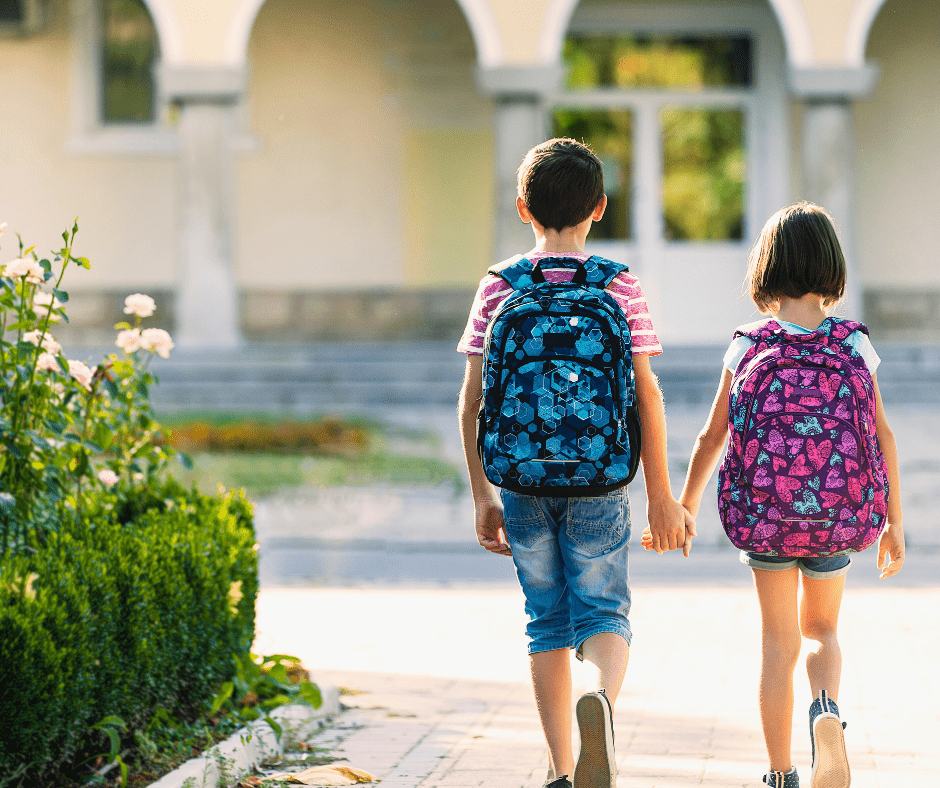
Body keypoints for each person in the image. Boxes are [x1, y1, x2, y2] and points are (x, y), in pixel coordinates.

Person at [457, 138, 694, 788]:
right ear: (599, 207)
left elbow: (474, 399)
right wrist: (662, 495)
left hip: (522, 479)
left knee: (546, 621)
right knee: (604, 611)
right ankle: (603, 705)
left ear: (521, 208)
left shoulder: (500, 284)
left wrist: (482, 492)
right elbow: (646, 394)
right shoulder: (618, 284)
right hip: (602, 478)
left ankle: (563, 772)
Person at [645, 202, 906, 788]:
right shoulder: (855, 343)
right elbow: (881, 435)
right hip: (838, 517)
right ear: (832, 267)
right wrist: (893, 520)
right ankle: (826, 713)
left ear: (766, 267)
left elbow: (715, 435)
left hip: (767, 520)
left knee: (777, 642)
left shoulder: (747, 345)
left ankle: (781, 772)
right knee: (823, 631)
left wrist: (685, 506)